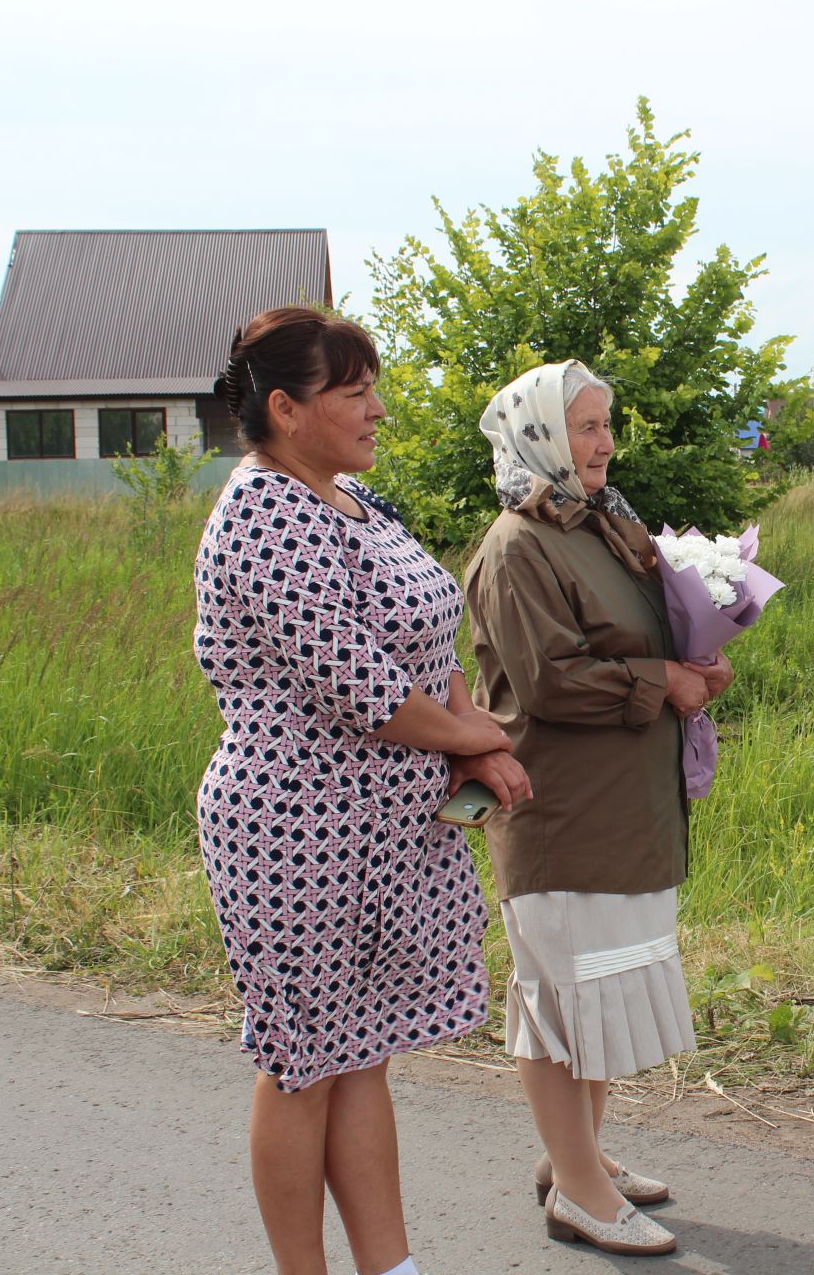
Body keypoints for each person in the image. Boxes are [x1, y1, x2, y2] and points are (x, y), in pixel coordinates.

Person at [193, 306, 527, 1275]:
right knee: (303, 1062)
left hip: (385, 823)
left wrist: (469, 745)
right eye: (355, 393)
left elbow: (431, 646)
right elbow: (366, 688)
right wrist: (483, 738)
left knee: (362, 1051)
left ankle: (393, 1266)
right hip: (295, 822)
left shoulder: (354, 502)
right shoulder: (262, 510)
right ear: (289, 409)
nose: (379, 408)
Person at [464, 360, 733, 1257]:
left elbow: (643, 640)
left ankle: (576, 1156)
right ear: (538, 434)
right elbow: (547, 681)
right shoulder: (515, 544)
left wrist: (699, 658)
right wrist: (662, 679)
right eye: (584, 426)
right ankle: (576, 1189)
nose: (605, 442)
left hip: (624, 804)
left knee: (600, 992)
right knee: (558, 1000)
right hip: (562, 809)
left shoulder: (601, 524)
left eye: (606, 424)